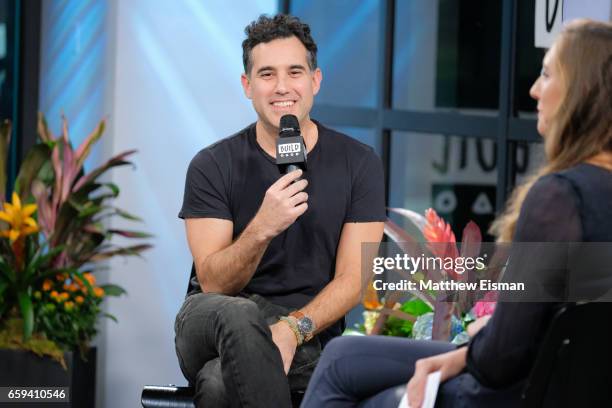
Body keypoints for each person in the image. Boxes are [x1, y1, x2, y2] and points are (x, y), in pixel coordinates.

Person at [300, 19, 612, 408]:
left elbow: (502, 359)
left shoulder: (560, 199)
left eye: (547, 74)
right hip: (559, 386)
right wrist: (485, 335)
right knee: (341, 358)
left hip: (511, 392)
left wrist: (477, 343)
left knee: (359, 385)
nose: (533, 89)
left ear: (582, 92)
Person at [174, 14, 386, 408]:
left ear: (315, 81)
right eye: (267, 74)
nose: (283, 87)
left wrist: (291, 330)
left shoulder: (359, 163)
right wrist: (262, 227)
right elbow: (215, 282)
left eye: (295, 72)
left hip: (304, 329)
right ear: (247, 86)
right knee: (240, 315)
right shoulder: (212, 164)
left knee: (219, 385)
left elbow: (353, 281)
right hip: (212, 319)